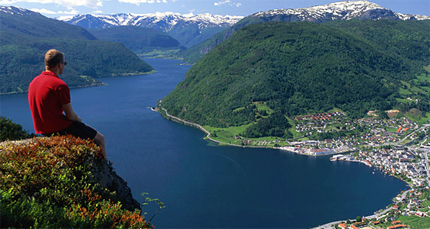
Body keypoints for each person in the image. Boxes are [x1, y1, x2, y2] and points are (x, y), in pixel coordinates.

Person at [28, 49, 106, 158]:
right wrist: (79, 120)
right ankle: (105, 171)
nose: (64, 65)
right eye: (65, 63)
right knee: (100, 139)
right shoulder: (59, 85)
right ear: (59, 65)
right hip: (59, 128)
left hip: (42, 129)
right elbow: (70, 116)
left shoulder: (33, 82)